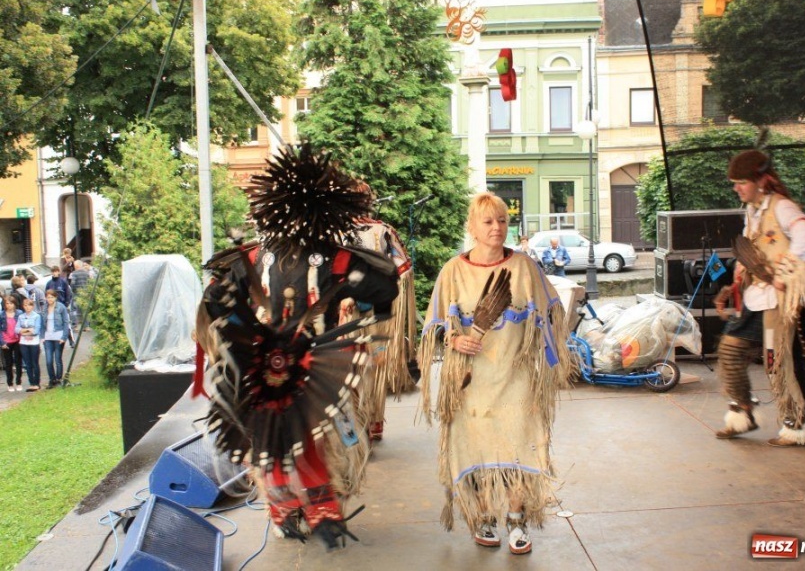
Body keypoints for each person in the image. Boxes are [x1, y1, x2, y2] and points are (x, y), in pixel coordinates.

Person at [196, 143, 399, 549]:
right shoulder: (331, 258)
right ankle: (312, 510)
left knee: (279, 442)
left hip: (292, 364)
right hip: (299, 365)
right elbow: (385, 289)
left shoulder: (258, 257)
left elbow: (215, 301)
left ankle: (293, 511)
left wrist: (233, 334)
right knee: (295, 441)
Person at [418, 192, 573, 555]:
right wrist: (454, 340)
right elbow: (433, 328)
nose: (496, 228)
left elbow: (552, 309)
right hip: (471, 381)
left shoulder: (523, 267)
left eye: (502, 220)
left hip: (515, 375)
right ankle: (485, 516)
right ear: (471, 227)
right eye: (487, 221)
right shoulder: (453, 271)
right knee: (476, 447)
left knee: (519, 444)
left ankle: (517, 521)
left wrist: (546, 348)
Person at [713, 149, 805, 447]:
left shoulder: (782, 207)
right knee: (730, 352)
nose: (736, 188)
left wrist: (785, 273)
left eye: (741, 182)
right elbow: (752, 254)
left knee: (775, 361)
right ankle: (743, 412)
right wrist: (734, 285)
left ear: (761, 181)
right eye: (734, 182)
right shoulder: (753, 211)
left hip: (778, 303)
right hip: (755, 298)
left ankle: (797, 425)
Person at [347, 214, 418, 442]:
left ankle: (360, 424)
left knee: (355, 365)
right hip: (374, 305)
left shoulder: (334, 231)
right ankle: (370, 423)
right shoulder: (382, 231)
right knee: (370, 366)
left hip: (350, 306)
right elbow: (403, 268)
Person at [40, 289, 70, 389]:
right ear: (45, 298)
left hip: (58, 335)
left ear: (55, 297)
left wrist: (64, 337)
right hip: (48, 337)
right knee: (48, 360)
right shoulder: (44, 308)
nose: (50, 299)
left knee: (57, 359)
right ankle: (51, 379)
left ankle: (58, 379)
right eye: (48, 297)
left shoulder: (61, 307)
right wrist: (42, 336)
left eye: (52, 297)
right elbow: (42, 324)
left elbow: (66, 322)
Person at [15, 299, 43, 392]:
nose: (27, 307)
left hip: (34, 342)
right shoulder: (21, 316)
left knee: (34, 362)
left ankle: (37, 383)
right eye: (25, 305)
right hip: (23, 343)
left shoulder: (37, 316)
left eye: (29, 305)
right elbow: (17, 329)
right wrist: (27, 330)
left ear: (32, 306)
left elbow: (36, 330)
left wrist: (24, 331)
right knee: (27, 364)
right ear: (23, 306)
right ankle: (31, 383)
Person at [1, 296, 24, 391]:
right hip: (6, 341)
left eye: (11, 303)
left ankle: (18, 382)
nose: (9, 306)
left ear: (15, 304)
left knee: (19, 362)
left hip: (17, 340)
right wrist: (2, 342)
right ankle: (10, 383)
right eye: (7, 304)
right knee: (8, 363)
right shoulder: (2, 315)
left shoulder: (19, 313)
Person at [68, 260, 91, 329]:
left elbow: (72, 284)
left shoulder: (74, 274)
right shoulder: (87, 273)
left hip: (77, 294)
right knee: (85, 310)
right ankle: (86, 326)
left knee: (74, 310)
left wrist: (73, 290)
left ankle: (75, 325)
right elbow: (90, 283)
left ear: (76, 266)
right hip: (85, 294)